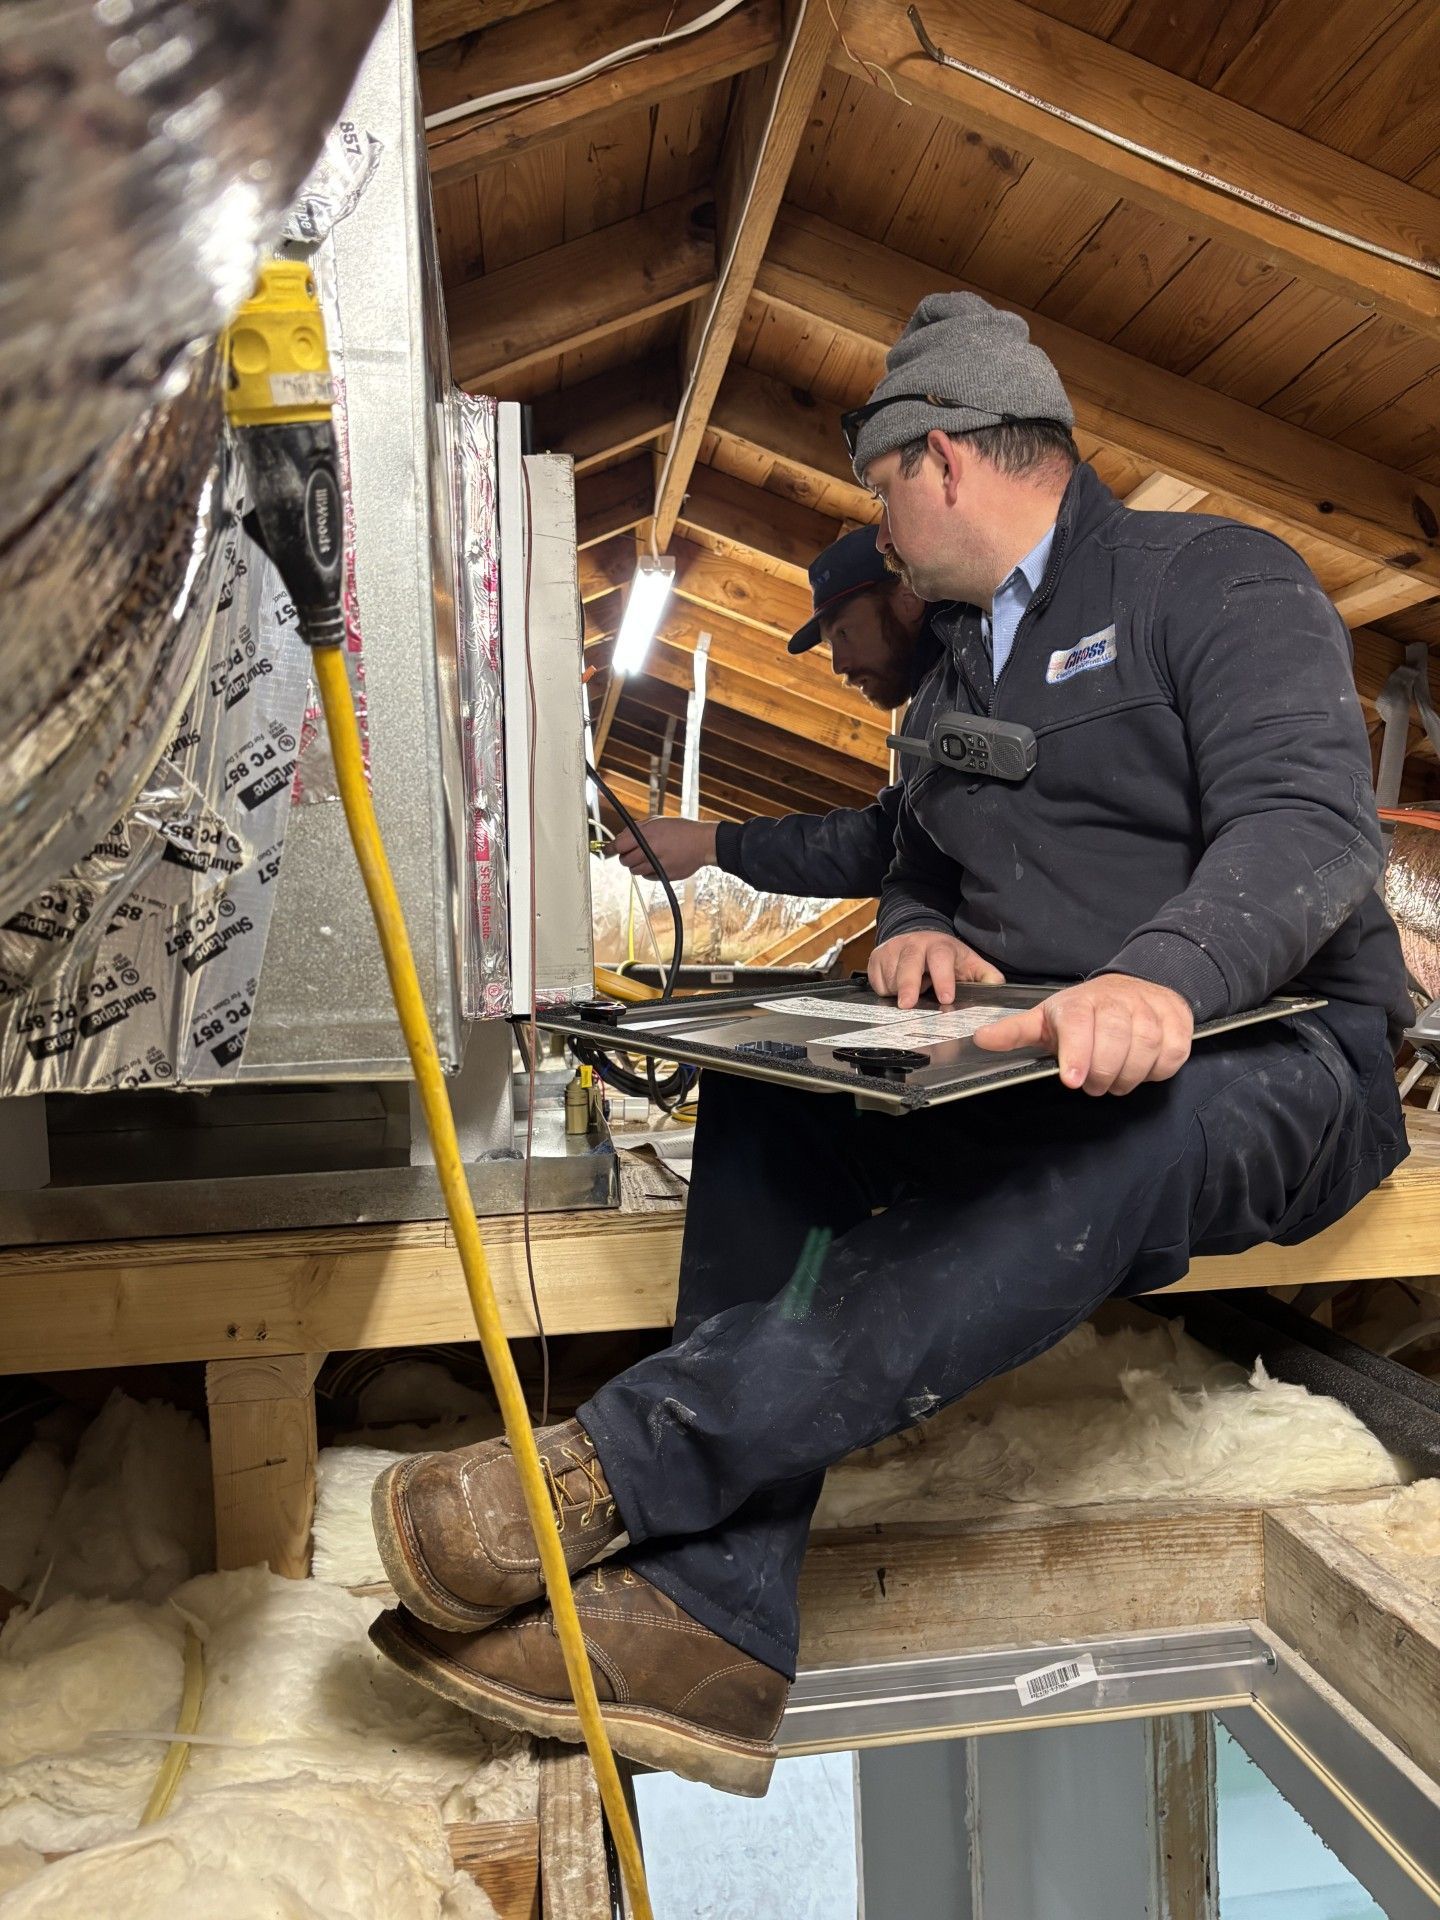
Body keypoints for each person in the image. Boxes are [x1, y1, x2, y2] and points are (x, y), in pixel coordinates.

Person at [370, 293, 1411, 1800]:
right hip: (1038, 1047)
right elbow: (917, 850)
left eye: (879, 491)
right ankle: (713, 1622)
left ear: (941, 460)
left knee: (1128, 1135)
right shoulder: (964, 669)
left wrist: (1160, 980)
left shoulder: (1213, 578)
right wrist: (914, 926)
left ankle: (622, 1464)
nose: (882, 529)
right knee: (777, 1101)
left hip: (1276, 1056)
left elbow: (1311, 827)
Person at [611, 525, 935, 899]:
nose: (838, 665)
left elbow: (881, 847)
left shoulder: (962, 691)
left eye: (844, 633)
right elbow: (897, 841)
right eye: (832, 644)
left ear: (908, 600)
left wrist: (709, 843)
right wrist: (709, 842)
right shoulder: (934, 701)